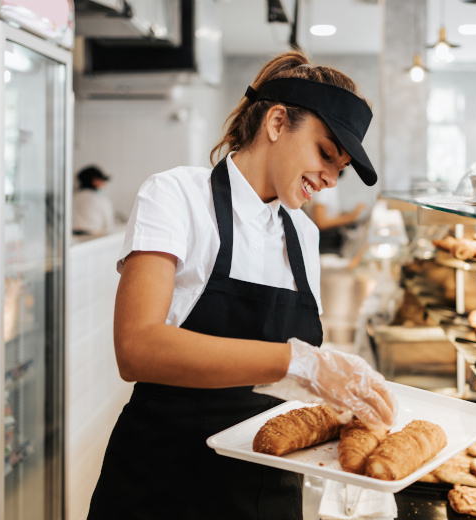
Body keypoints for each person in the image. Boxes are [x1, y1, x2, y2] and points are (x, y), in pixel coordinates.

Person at [87, 52, 396, 520]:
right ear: (276, 122)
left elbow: (286, 385)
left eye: (342, 167)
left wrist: (334, 398)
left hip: (269, 488)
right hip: (164, 483)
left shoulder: (303, 235)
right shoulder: (175, 195)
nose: (331, 179)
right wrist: (300, 362)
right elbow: (136, 347)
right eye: (326, 153)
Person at [307, 168, 368, 254]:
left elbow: (331, 213)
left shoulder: (331, 188)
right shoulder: (325, 189)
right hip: (324, 239)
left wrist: (350, 214)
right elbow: (321, 222)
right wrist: (351, 217)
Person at [72, 165, 116, 235]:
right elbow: (109, 225)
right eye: (102, 180)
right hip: (94, 238)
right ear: (95, 181)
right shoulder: (101, 199)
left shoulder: (73, 198)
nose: (104, 183)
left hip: (74, 238)